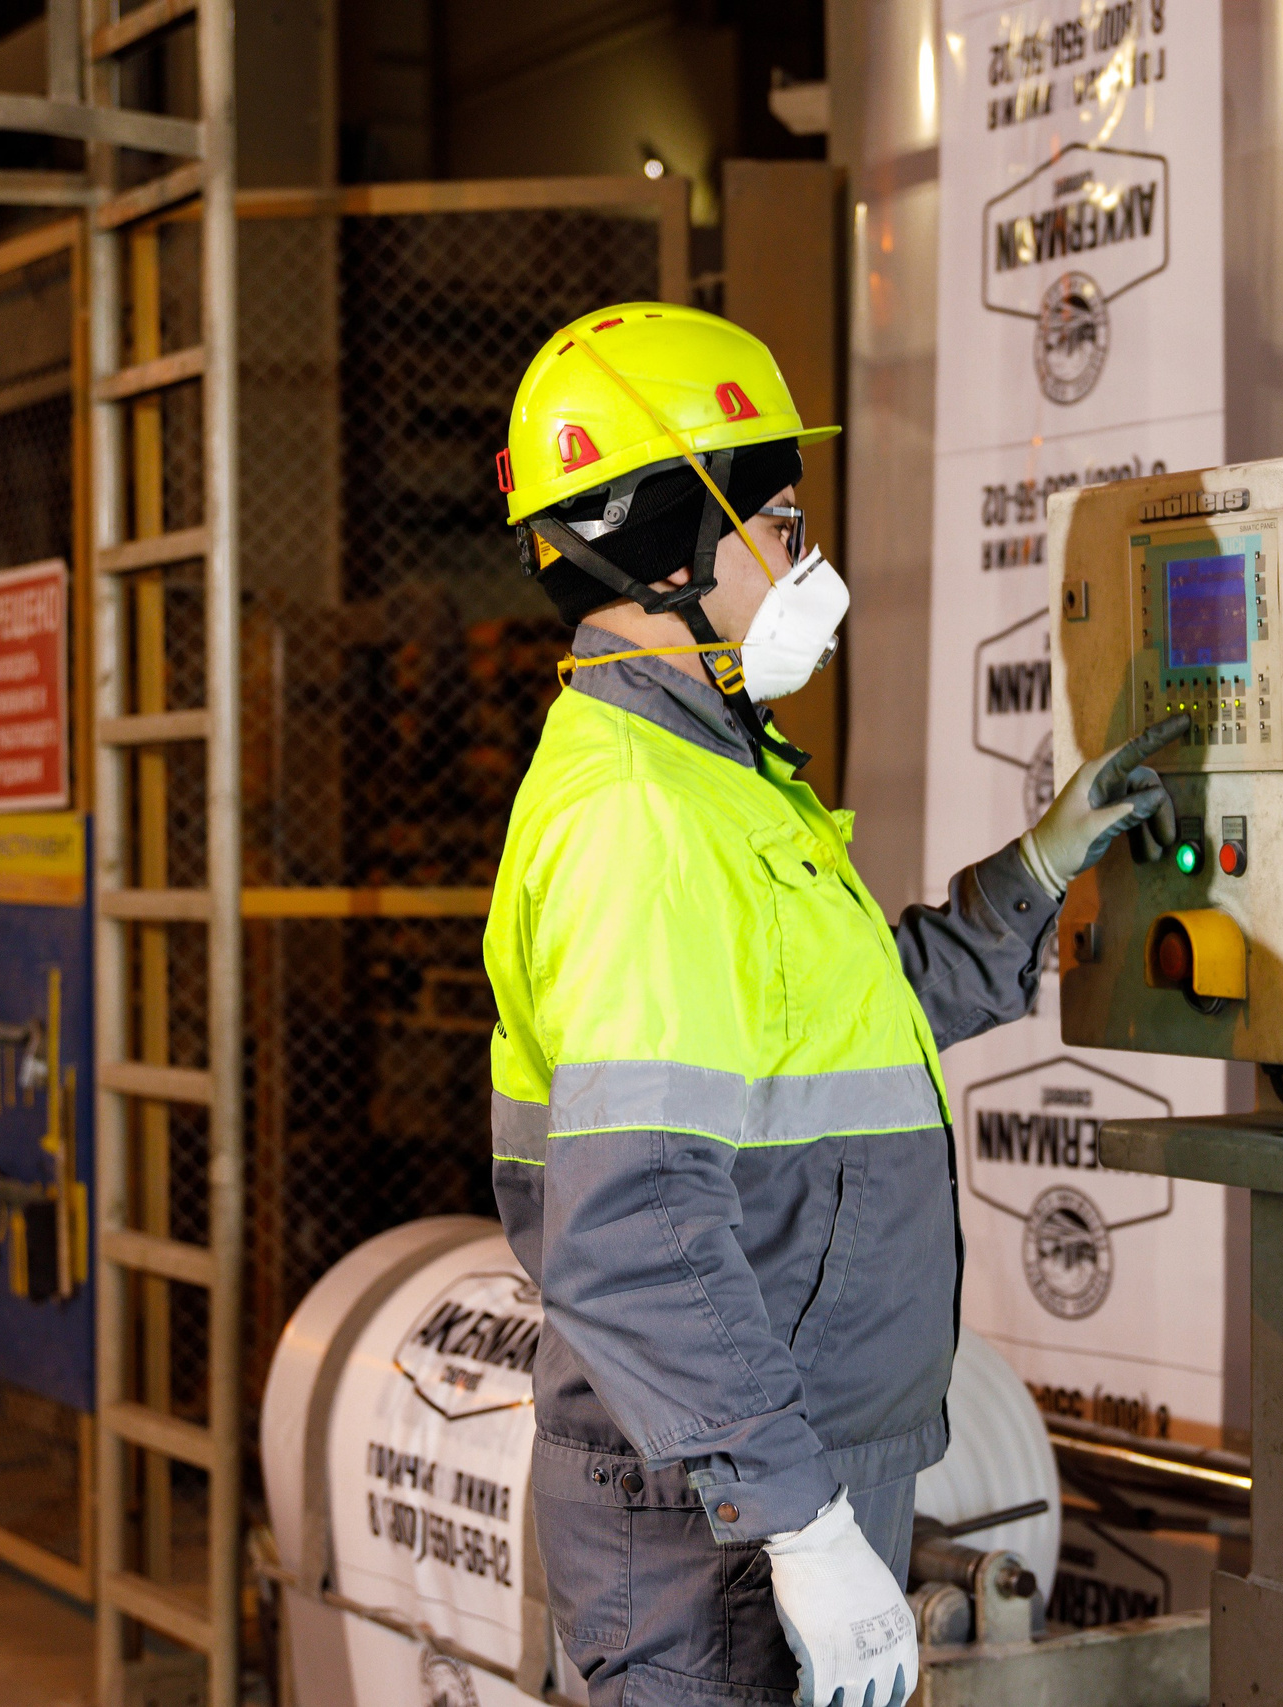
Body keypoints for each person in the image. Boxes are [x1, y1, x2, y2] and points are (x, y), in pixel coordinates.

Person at [482, 303, 1190, 1707]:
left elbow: (854, 1024)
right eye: (784, 525)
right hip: (723, 1511)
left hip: (765, 1469)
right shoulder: (642, 822)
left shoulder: (713, 779)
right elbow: (632, 1226)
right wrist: (797, 1524)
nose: (806, 563)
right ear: (677, 545)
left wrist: (1036, 871)